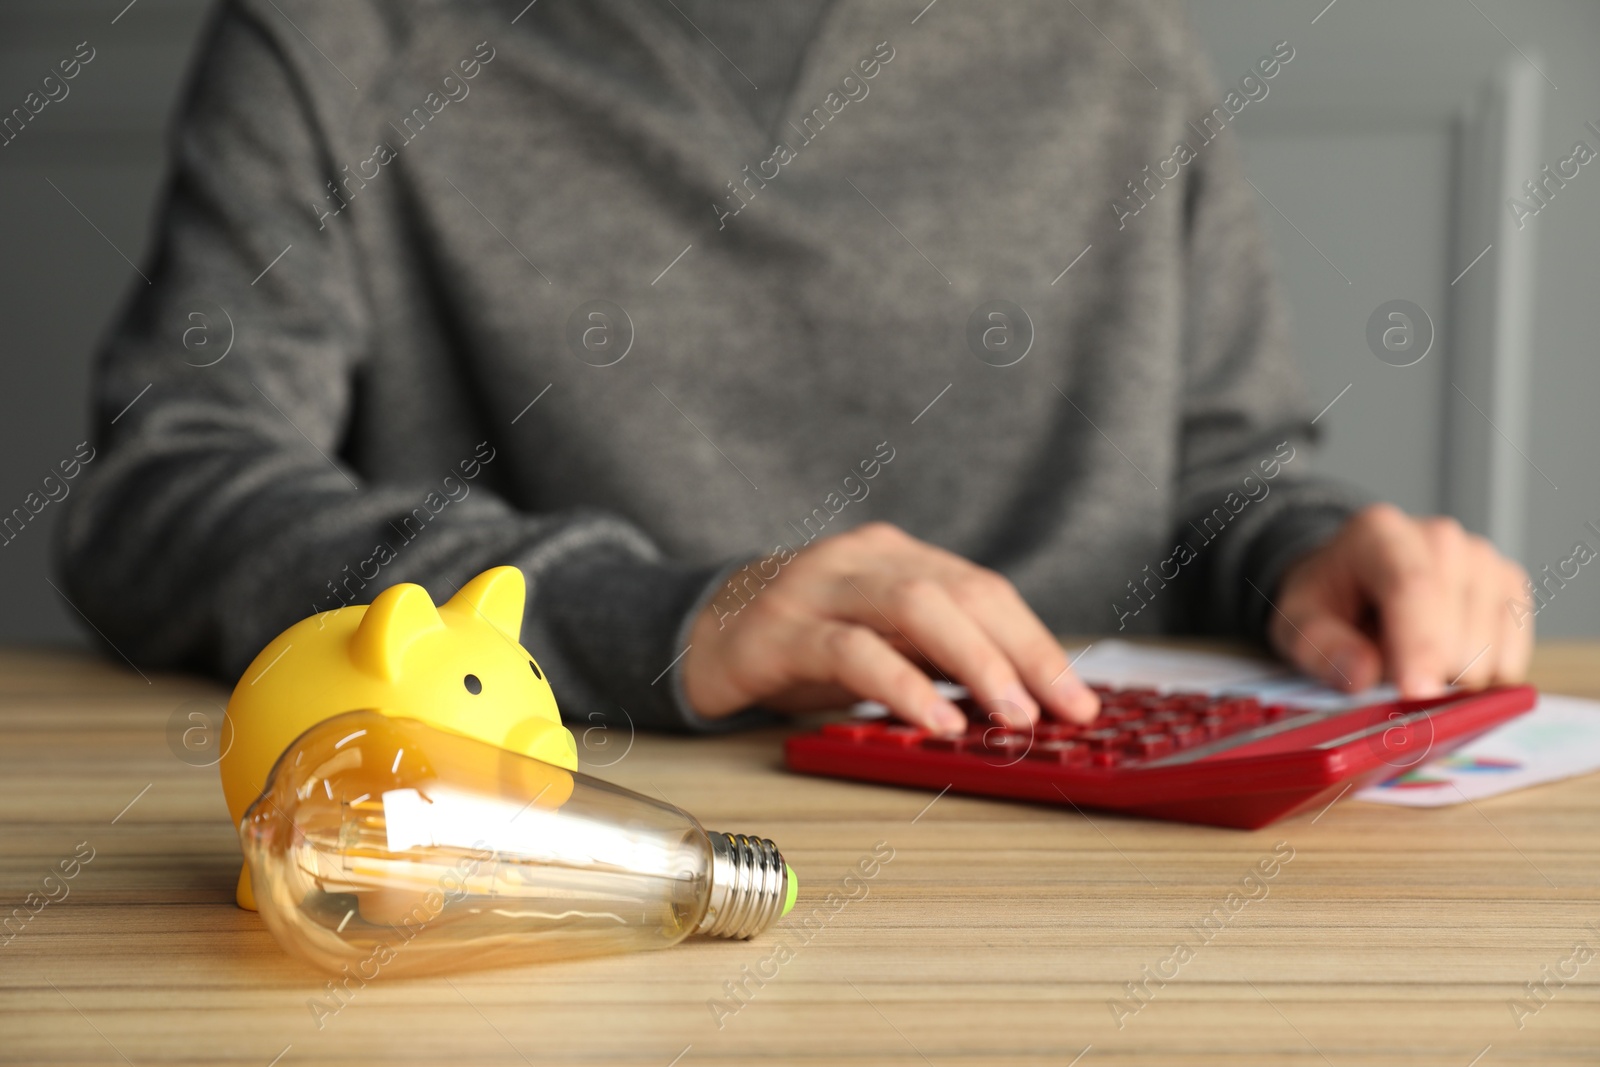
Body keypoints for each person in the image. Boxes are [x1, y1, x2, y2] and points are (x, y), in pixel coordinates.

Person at [57, 0, 1531, 738]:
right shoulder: (338, 40)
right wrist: (651, 618)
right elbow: (164, 491)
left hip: (1081, 854)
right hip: (576, 843)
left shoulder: (1114, 49)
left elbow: (1219, 475)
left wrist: (1302, 551)